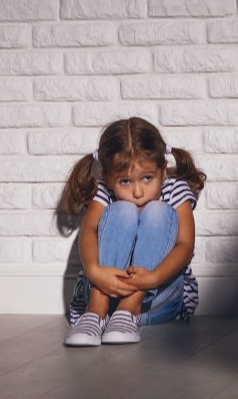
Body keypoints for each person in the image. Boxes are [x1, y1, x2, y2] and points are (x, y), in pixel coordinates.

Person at [62, 117, 205, 346]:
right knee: (123, 210)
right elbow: (88, 230)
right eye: (125, 182)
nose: (138, 192)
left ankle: (130, 307)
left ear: (163, 171)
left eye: (147, 178)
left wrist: (153, 278)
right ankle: (96, 311)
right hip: (106, 298)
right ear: (108, 178)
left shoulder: (175, 189)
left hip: (158, 299)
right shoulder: (105, 191)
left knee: (157, 210)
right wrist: (94, 271)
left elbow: (185, 246)